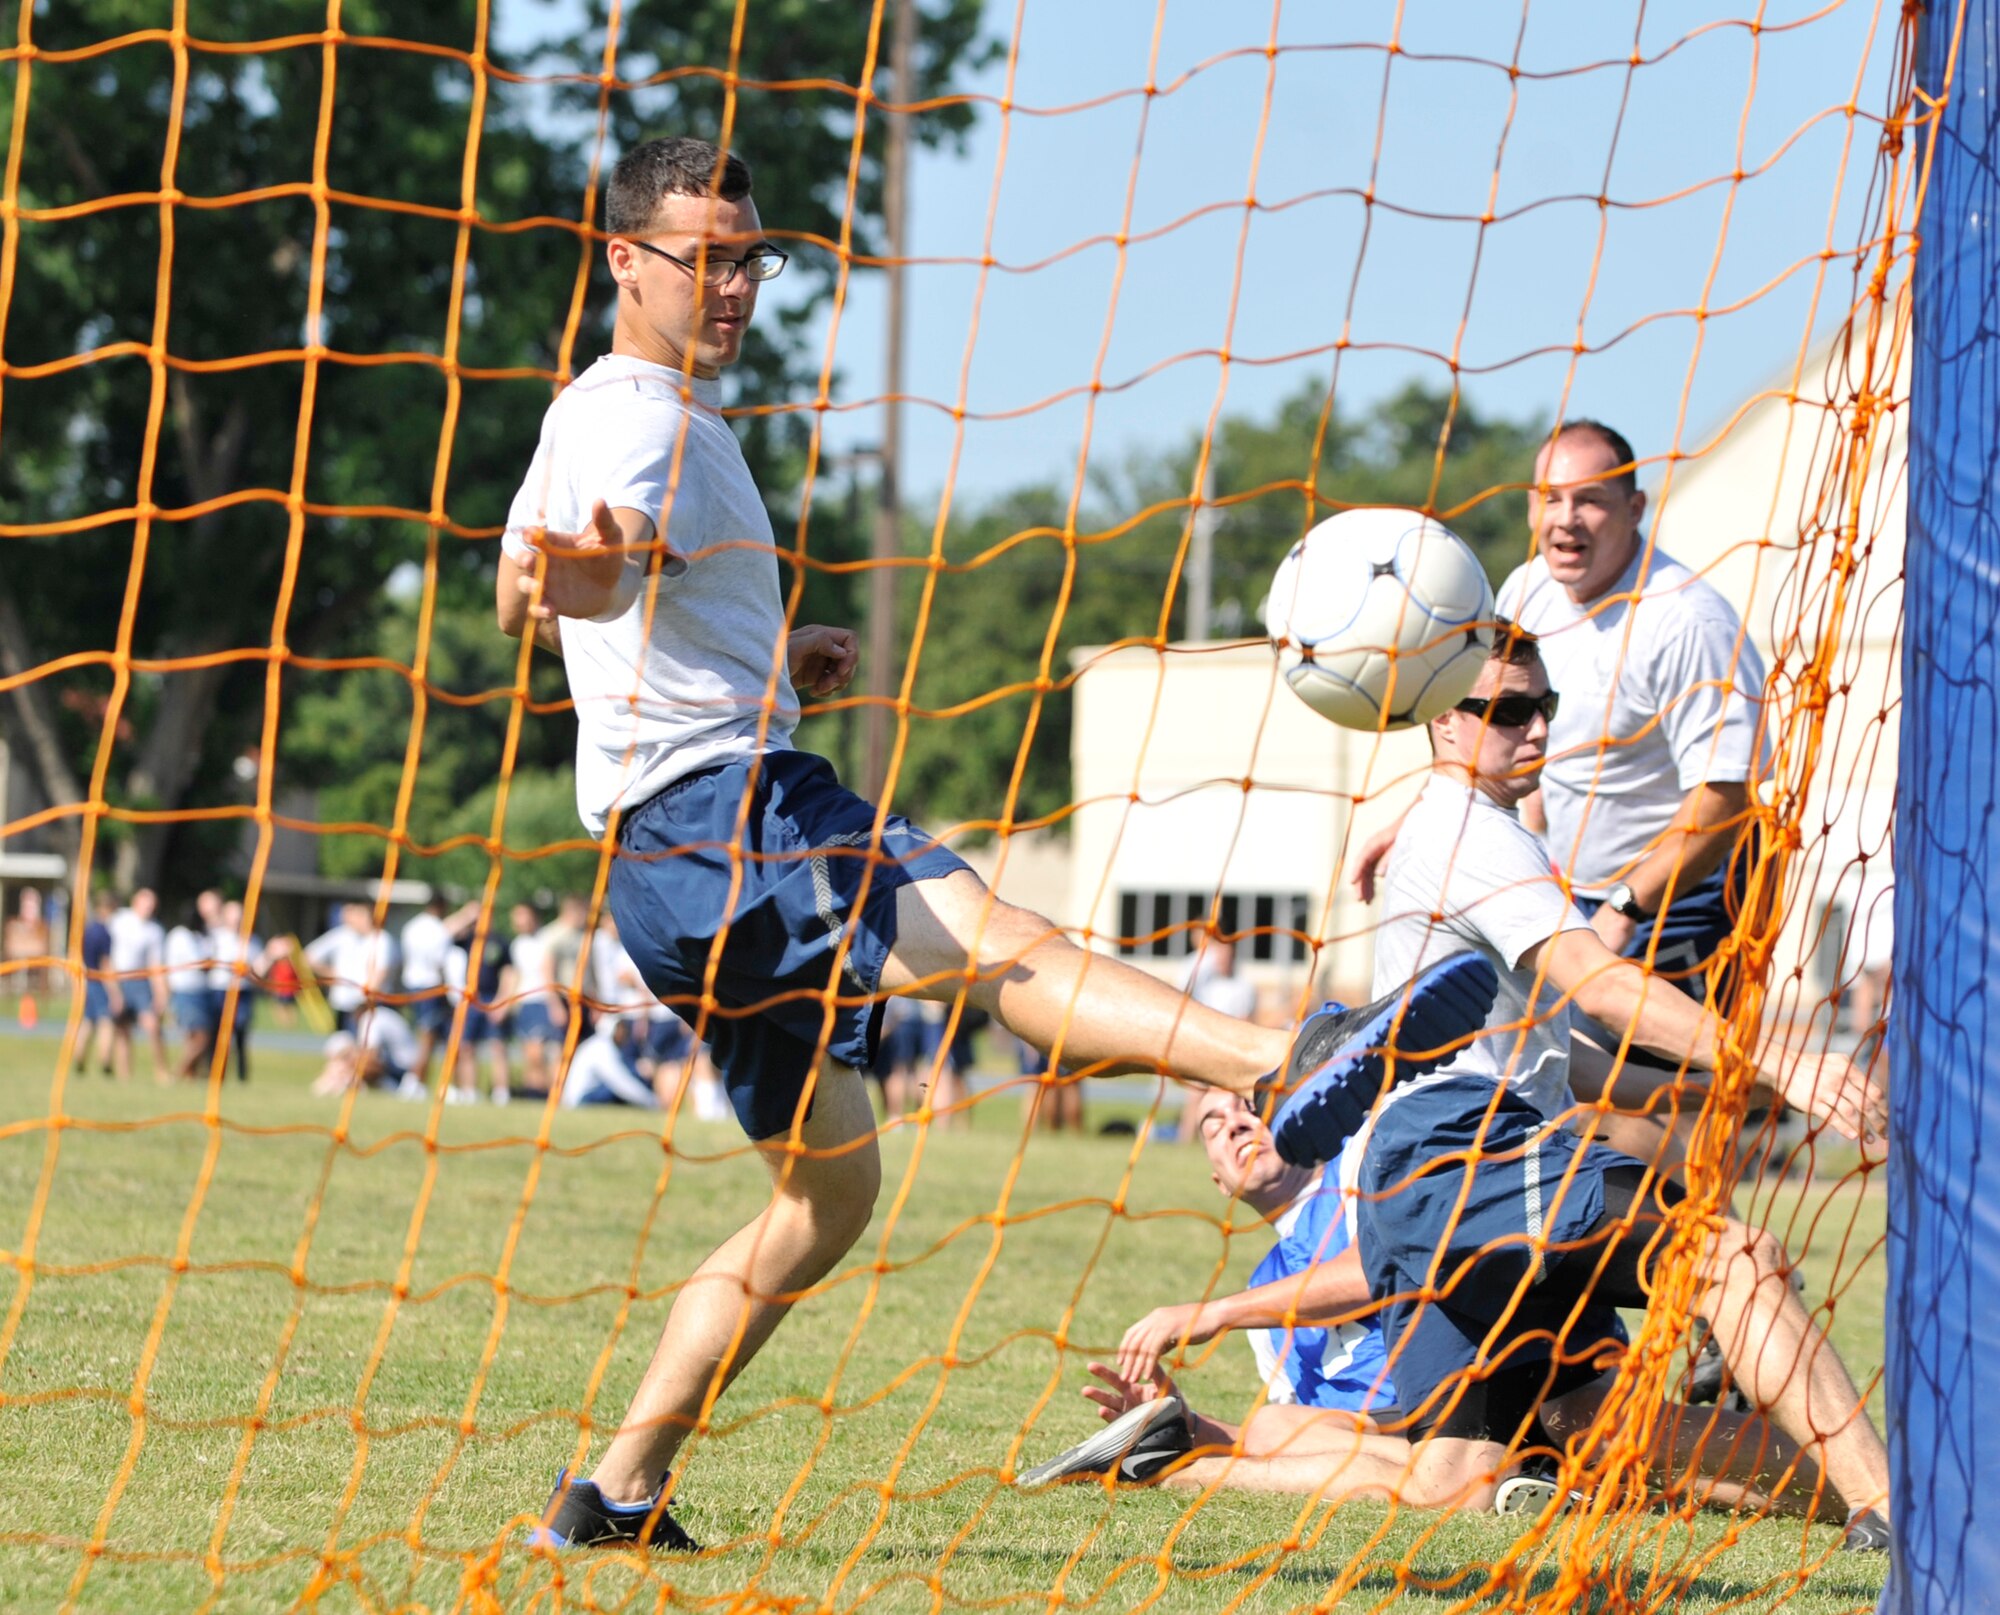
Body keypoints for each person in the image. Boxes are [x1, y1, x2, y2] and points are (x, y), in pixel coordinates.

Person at [496, 134, 1495, 1552]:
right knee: (997, 941)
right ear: (624, 258)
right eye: (704, 259)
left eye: (752, 258)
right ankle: (1282, 1059)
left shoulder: (595, 412)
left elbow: (534, 583)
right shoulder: (644, 423)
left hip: (666, 860)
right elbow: (583, 575)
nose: (733, 288)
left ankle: (610, 1494)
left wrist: (773, 654)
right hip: (737, 814)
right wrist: (575, 574)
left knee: (827, 1194)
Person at [1316, 627, 1889, 1545]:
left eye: (1541, 706)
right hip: (1461, 1151)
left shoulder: (1465, 828)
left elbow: (1558, 1056)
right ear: (1441, 723)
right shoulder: (1475, 837)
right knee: (1727, 1258)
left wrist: (1708, 1090)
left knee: (1477, 1473)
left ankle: (1192, 1448)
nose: (1533, 728)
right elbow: (1601, 982)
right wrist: (1776, 1054)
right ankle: (1896, 1506)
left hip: (1426, 1181)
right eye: (1504, 710)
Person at [1018, 1085, 1835, 1528]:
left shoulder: (1361, 1181)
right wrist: (1194, 1425)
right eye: (1211, 1128)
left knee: (1594, 1435)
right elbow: (1329, 1423)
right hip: (1432, 1413)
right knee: (1271, 1424)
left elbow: (1389, 1269)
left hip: (1510, 1340)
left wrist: (1217, 1311)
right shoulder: (1273, 1271)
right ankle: (1180, 1457)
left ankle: (1843, 1477)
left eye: (1244, 1107)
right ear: (1215, 1182)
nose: (1235, 1128)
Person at [303, 903, 398, 1036]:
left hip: (368, 1006)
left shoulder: (381, 939)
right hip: (343, 1004)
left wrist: (366, 1000)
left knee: (366, 1049)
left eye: (358, 915)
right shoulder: (342, 935)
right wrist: (331, 973)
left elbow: (381, 973)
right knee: (343, 1046)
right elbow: (308, 956)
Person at [107, 887, 167, 1082]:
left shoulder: (155, 931)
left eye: (152, 905)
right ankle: (125, 1076)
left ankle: (161, 1072)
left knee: (153, 1026)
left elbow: (155, 965)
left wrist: (161, 995)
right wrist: (113, 988)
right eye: (145, 903)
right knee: (123, 1030)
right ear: (135, 902)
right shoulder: (119, 921)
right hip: (118, 979)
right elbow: (107, 955)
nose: (148, 908)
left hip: (140, 982)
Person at [505, 901, 565, 1095]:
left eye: (521, 915)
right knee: (529, 1054)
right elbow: (516, 976)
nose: (517, 921)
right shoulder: (517, 944)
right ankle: (533, 1094)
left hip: (542, 1001)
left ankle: (551, 1094)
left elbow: (549, 975)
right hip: (525, 1004)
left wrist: (555, 1005)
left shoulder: (545, 940)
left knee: (541, 1053)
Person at [400, 895, 456, 1084]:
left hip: (411, 986)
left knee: (421, 1034)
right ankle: (414, 1080)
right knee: (428, 1036)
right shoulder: (438, 930)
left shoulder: (411, 926)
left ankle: (418, 1080)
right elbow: (441, 963)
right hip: (431, 987)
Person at [164, 902, 218, 1081]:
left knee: (193, 1037)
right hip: (186, 992)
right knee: (201, 1037)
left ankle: (190, 1076)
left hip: (201, 992)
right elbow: (201, 963)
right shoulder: (180, 936)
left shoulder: (200, 936)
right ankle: (178, 1072)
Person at [80, 889, 119, 1075]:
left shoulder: (87, 931)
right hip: (99, 981)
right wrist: (115, 992)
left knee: (87, 1021)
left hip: (85, 980)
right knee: (106, 1022)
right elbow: (106, 963)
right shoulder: (104, 933)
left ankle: (79, 1056)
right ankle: (105, 1060)